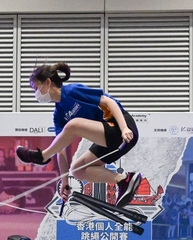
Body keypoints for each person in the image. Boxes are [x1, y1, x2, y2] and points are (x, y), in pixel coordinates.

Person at [15, 62, 141, 208]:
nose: (35, 94)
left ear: (48, 82)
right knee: (77, 170)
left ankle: (42, 156)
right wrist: (65, 181)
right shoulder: (58, 115)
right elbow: (60, 150)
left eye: (36, 88)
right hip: (108, 141)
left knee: (74, 125)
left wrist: (124, 128)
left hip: (121, 128)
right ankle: (124, 180)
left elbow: (109, 101)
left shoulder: (71, 91)